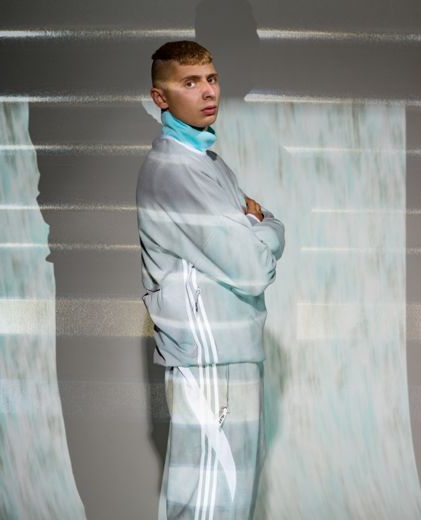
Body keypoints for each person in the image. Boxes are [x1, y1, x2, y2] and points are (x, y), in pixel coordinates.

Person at [135, 40, 285, 519]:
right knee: (207, 499)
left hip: (231, 348)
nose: (208, 91)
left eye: (212, 78)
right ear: (161, 97)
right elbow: (253, 268)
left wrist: (261, 226)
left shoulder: (209, 164)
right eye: (190, 82)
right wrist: (265, 225)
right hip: (208, 357)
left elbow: (255, 242)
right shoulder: (176, 173)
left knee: (232, 496)